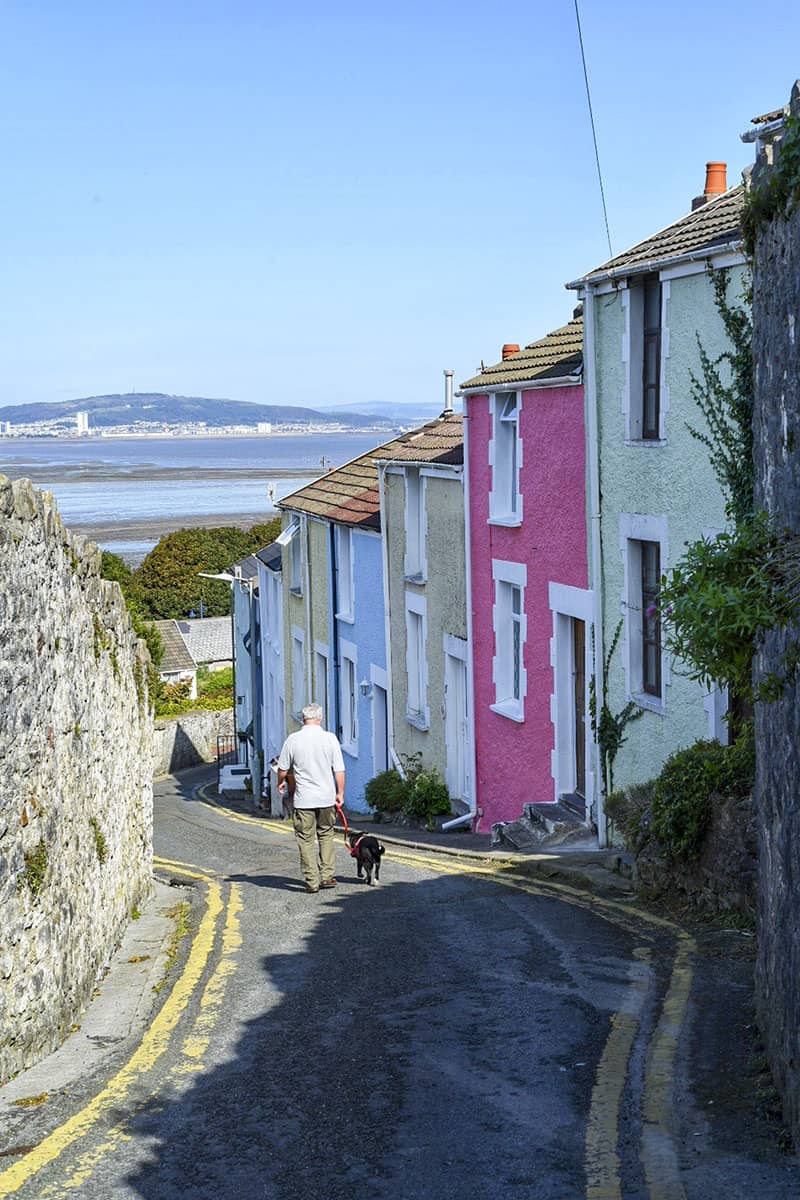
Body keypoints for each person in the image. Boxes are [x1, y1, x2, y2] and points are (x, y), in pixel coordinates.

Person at [276, 702, 345, 893]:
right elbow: (339, 769)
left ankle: (312, 880)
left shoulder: (293, 739)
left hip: (304, 799)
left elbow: (282, 768)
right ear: (320, 718)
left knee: (305, 839)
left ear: (302, 719)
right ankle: (327, 876)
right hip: (326, 798)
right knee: (326, 834)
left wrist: (280, 782)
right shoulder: (330, 739)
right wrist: (340, 793)